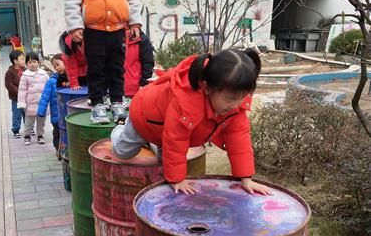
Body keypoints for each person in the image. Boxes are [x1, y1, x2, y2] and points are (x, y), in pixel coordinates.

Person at [111, 48, 272, 196]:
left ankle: (153, 143)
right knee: (123, 153)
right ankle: (120, 127)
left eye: (241, 97)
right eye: (230, 99)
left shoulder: (234, 107)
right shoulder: (186, 103)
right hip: (143, 117)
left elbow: (239, 139)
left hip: (165, 128)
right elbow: (175, 140)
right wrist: (177, 180)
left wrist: (246, 178)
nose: (235, 105)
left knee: (163, 157)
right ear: (207, 88)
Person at [17, 52, 49, 145]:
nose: (32, 64)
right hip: (30, 104)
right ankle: (27, 136)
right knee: (28, 122)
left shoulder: (44, 74)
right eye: (30, 62)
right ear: (27, 64)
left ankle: (40, 135)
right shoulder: (25, 76)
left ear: (38, 62)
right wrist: (22, 103)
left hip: (42, 103)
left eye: (34, 62)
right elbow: (22, 90)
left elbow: (49, 88)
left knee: (41, 121)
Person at [37, 54, 65, 155]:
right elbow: (45, 97)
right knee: (57, 133)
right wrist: (41, 111)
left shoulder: (72, 79)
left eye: (58, 64)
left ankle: (67, 151)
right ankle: (58, 150)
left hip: (69, 114)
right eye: (54, 66)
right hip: (56, 116)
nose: (56, 68)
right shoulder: (51, 81)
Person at [124, 28, 154, 98]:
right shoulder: (111, 37)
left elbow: (147, 65)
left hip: (135, 92)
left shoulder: (142, 40)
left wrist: (143, 86)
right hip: (112, 93)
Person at [5, 50, 26, 138]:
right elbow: (8, 84)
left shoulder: (25, 70)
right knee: (17, 113)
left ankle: (29, 127)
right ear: (15, 61)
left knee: (27, 113)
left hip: (25, 97)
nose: (24, 61)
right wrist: (18, 91)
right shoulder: (10, 72)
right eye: (22, 59)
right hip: (16, 98)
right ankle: (16, 129)